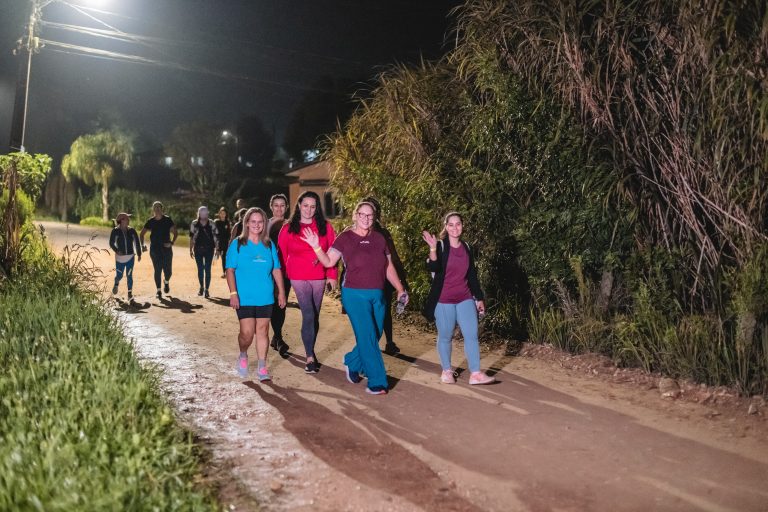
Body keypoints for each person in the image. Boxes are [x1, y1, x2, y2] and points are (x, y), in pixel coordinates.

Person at [301, 201, 407, 395]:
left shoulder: (379, 239)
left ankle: (352, 361)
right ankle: (377, 381)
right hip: (354, 294)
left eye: (370, 215)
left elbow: (388, 266)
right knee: (367, 334)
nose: (366, 219)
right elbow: (329, 261)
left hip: (378, 293)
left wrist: (400, 288)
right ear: (355, 215)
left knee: (376, 333)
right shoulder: (345, 238)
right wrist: (316, 247)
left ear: (374, 218)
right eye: (362, 214)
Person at [422, 212, 495, 385]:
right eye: (451, 224)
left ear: (462, 226)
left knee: (471, 335)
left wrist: (478, 298)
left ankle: (475, 373)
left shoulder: (467, 247)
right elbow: (433, 266)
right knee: (446, 336)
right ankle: (447, 370)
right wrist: (432, 248)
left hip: (464, 297)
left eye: (458, 224)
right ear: (446, 227)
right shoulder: (440, 246)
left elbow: (472, 275)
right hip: (444, 299)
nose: (455, 227)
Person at [278, 191, 337, 374]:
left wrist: (332, 274)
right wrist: (278, 281)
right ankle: (310, 356)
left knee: (315, 316)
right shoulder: (288, 228)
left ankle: (310, 348)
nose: (309, 210)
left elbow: (333, 251)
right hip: (297, 275)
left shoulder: (325, 227)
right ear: (299, 206)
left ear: (317, 208)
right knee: (308, 313)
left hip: (319, 274)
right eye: (305, 205)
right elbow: (280, 255)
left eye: (313, 206)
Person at [226, 207, 287, 381]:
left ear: (264, 224)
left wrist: (281, 292)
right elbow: (230, 270)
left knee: (263, 330)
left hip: (265, 296)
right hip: (243, 297)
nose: (256, 225)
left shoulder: (269, 244)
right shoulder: (237, 244)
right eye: (253, 221)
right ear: (246, 223)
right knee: (247, 333)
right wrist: (233, 293)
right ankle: (243, 354)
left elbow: (276, 269)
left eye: (260, 221)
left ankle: (262, 367)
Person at [363, 196, 407, 355]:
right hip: (362, 281)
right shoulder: (353, 232)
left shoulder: (383, 233)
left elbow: (393, 257)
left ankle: (389, 342)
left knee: (385, 310)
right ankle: (369, 344)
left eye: (373, 212)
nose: (369, 216)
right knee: (367, 312)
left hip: (383, 279)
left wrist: (402, 282)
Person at [267, 193, 291, 355]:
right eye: (276, 205)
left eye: (282, 205)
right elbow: (260, 243)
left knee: (281, 304)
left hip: (285, 270)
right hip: (267, 270)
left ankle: (277, 337)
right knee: (269, 304)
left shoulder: (291, 225)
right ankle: (277, 338)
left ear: (287, 207)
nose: (279, 208)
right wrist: (271, 226)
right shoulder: (263, 223)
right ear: (271, 207)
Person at [140, 201, 177, 299]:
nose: (157, 209)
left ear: (162, 209)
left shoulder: (168, 220)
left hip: (166, 249)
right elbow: (142, 234)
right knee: (158, 269)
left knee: (168, 272)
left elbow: (175, 232)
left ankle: (166, 281)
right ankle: (158, 291)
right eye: (155, 207)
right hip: (155, 250)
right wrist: (142, 245)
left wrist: (172, 242)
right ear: (153, 209)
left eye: (159, 207)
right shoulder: (150, 221)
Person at [109, 212, 142, 300]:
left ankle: (130, 293)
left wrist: (139, 253)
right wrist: (117, 250)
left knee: (129, 275)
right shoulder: (115, 231)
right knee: (119, 276)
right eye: (127, 218)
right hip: (120, 258)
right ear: (122, 220)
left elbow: (137, 242)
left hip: (130, 257)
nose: (129, 220)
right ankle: (116, 283)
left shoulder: (132, 230)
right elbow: (111, 243)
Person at [189, 206, 220, 298]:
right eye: (201, 212)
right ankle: (201, 287)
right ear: (199, 213)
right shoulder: (194, 223)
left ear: (207, 213)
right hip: (198, 249)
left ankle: (206, 290)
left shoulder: (212, 223)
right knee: (200, 269)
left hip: (209, 249)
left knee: (207, 269)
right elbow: (191, 237)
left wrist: (217, 249)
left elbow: (216, 237)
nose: (203, 214)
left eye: (205, 212)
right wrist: (190, 249)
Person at [213, 207, 231, 278]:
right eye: (221, 213)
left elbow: (229, 233)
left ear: (226, 214)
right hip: (218, 241)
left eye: (224, 213)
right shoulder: (216, 222)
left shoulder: (227, 222)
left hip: (226, 241)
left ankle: (225, 272)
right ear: (219, 214)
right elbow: (214, 232)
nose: (223, 215)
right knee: (218, 255)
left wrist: (230, 241)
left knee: (224, 257)